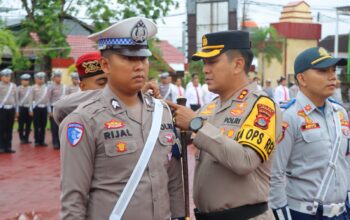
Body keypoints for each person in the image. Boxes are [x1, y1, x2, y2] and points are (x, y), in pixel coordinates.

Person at [59, 17, 184, 220]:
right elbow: (73, 200)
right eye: (129, 58)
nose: (139, 66)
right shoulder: (84, 120)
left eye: (143, 58)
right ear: (106, 65)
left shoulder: (161, 112)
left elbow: (173, 180)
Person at [168, 30, 282, 219]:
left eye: (212, 62)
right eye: (204, 63)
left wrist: (196, 124)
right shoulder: (210, 107)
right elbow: (184, 135)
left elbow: (245, 161)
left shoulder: (262, 106)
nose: (205, 69)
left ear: (237, 64)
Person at [269, 47, 350, 220]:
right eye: (322, 71)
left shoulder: (340, 113)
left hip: (342, 213)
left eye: (333, 70)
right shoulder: (288, 116)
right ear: (302, 78)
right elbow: (273, 175)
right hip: (304, 214)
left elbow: (346, 162)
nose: (332, 76)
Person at [0, 68, 17, 153]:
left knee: (9, 128)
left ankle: (8, 147)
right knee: (2, 128)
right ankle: (2, 147)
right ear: (1, 77)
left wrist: (17, 111)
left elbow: (16, 98)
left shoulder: (13, 86)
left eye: (9, 76)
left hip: (11, 109)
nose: (7, 77)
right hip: (2, 109)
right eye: (6, 76)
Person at [49, 70, 67, 149]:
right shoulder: (51, 87)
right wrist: (49, 110)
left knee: (62, 126)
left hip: (62, 108)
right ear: (54, 78)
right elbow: (48, 99)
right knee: (54, 127)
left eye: (59, 76)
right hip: (54, 108)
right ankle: (55, 142)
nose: (58, 78)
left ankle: (60, 142)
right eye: (57, 76)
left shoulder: (64, 87)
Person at [32, 72, 50, 147]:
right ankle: (36, 140)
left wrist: (49, 110)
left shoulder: (47, 88)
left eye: (42, 78)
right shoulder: (33, 88)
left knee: (43, 125)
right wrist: (30, 109)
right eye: (39, 78)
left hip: (44, 108)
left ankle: (42, 141)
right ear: (36, 79)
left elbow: (48, 99)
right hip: (36, 108)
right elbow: (31, 99)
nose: (41, 80)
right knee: (36, 125)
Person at [17, 73, 33, 144]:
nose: (26, 81)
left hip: (29, 108)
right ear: (21, 81)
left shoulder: (31, 89)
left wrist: (31, 110)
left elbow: (32, 100)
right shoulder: (18, 89)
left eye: (27, 80)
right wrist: (17, 110)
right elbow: (16, 100)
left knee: (28, 124)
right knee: (21, 124)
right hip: (21, 108)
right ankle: (21, 138)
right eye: (24, 80)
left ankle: (26, 138)